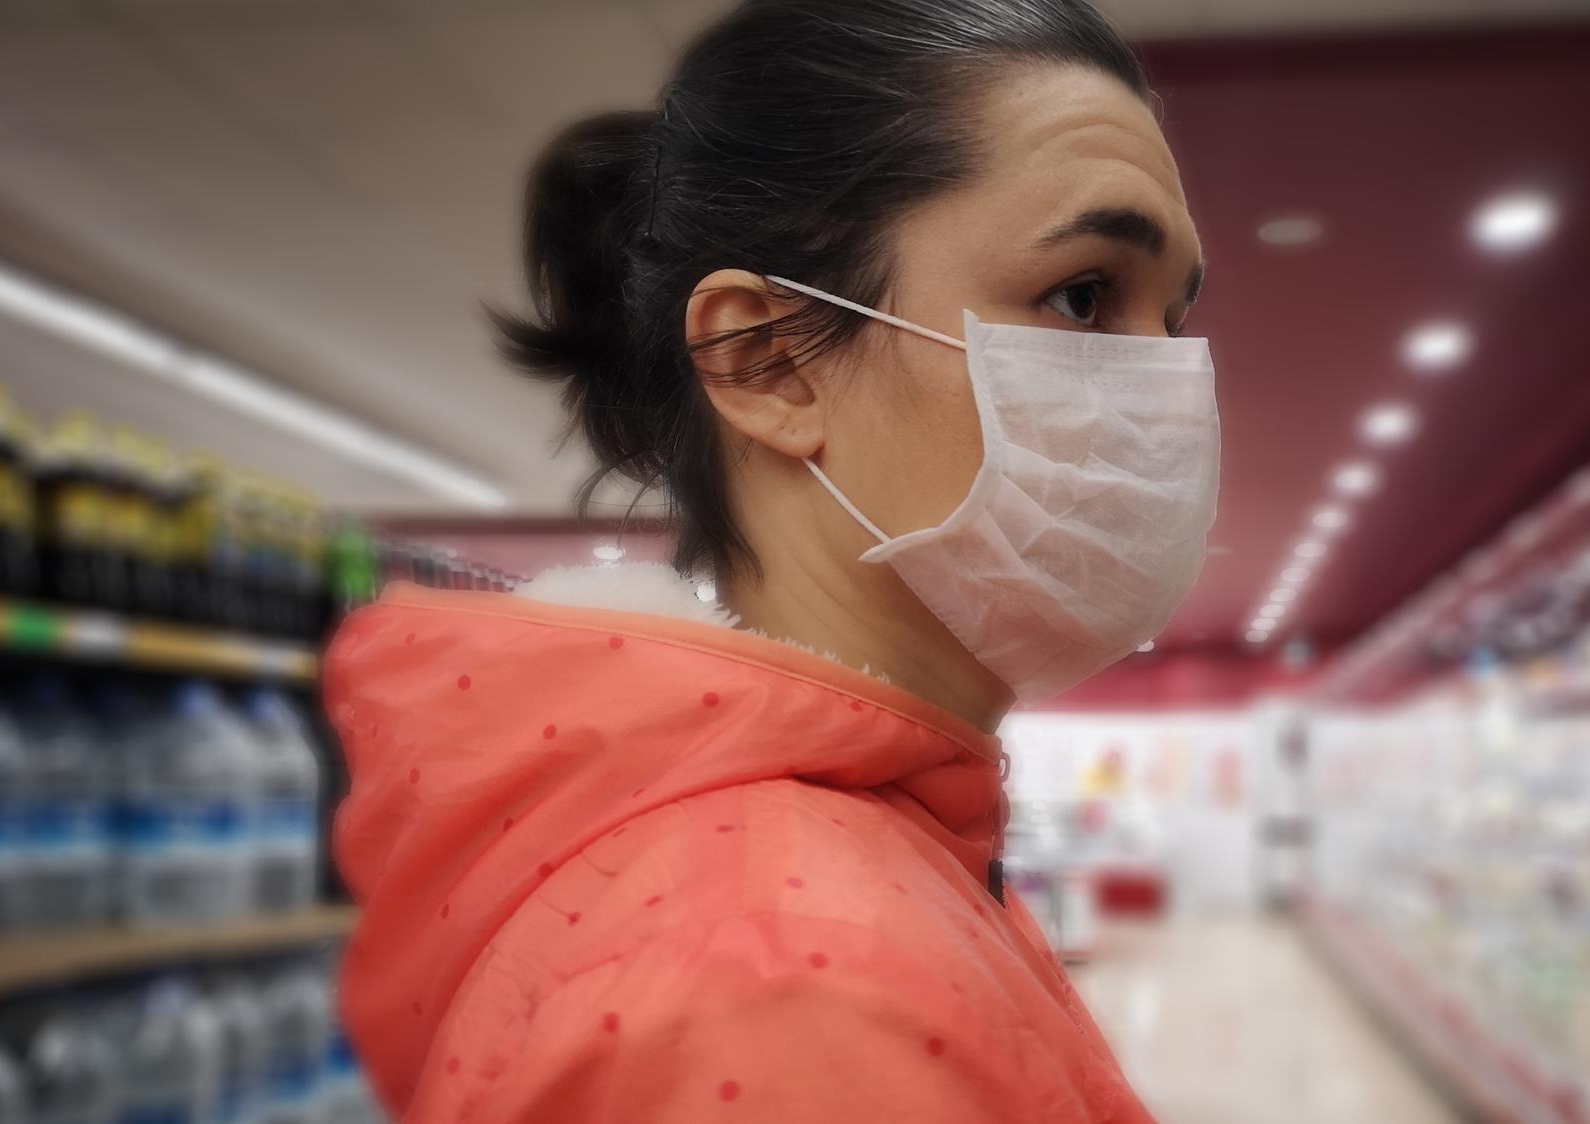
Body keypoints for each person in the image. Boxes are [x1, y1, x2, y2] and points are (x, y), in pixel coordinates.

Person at [322, 1, 1217, 1119]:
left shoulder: (862, 846)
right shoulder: (787, 982)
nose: (1167, 397)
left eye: (1172, 319)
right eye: (1083, 297)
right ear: (765, 359)